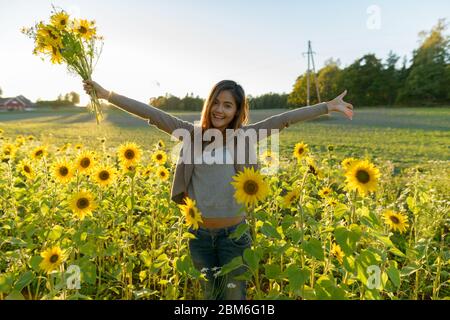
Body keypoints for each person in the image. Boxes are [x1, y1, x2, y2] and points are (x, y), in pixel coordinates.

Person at [83, 79, 353, 300]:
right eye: (216, 102)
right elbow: (151, 113)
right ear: (208, 104)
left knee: (234, 300)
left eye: (228, 105)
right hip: (199, 236)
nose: (220, 110)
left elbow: (283, 119)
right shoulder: (189, 134)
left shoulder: (244, 137)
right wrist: (108, 95)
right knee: (212, 296)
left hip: (234, 238)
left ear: (237, 111)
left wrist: (326, 106)